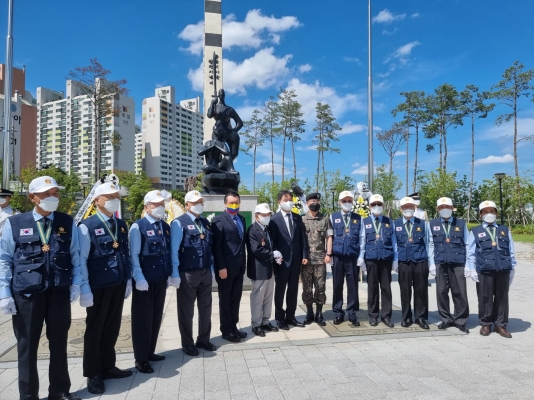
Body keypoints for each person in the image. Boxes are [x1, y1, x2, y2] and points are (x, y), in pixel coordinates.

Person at [0, 176, 81, 400]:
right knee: (27, 347)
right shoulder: (15, 223)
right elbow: (4, 258)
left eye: (55, 193)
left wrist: (76, 284)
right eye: (46, 194)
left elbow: (75, 255)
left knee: (59, 342)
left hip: (58, 291)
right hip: (27, 294)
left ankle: (60, 390)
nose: (53, 197)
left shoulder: (66, 221)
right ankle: (28, 395)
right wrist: (4, 294)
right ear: (32, 197)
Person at [78, 181, 132, 395]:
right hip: (98, 286)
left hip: (117, 282)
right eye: (109, 197)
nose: (113, 200)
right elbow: (81, 259)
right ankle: (93, 373)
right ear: (97, 201)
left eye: (116, 197)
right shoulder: (86, 226)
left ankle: (108, 366)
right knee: (95, 329)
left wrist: (127, 279)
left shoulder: (120, 224)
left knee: (112, 326)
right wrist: (84, 288)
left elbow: (123, 253)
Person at [129, 190, 180, 374]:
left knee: (156, 317)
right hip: (145, 281)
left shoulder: (164, 227)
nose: (161, 207)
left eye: (162, 204)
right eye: (156, 204)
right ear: (147, 207)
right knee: (142, 320)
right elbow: (133, 254)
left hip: (160, 278)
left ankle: (150, 351)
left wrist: (169, 273)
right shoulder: (138, 226)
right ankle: (140, 358)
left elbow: (166, 252)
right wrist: (138, 276)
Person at [171, 190, 216, 356]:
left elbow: (209, 248)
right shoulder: (178, 223)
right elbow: (174, 250)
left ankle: (203, 339)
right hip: (188, 272)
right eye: (195, 202)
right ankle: (187, 343)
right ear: (187, 205)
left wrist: (211, 269)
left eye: (201, 202)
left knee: (206, 308)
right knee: (186, 310)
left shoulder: (204, 222)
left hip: (205, 271)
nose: (199, 205)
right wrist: (174, 273)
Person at [467, 200, 517, 338]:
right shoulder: (476, 231)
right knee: (485, 297)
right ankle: (486, 323)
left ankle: (500, 325)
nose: (489, 213)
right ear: (481, 214)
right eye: (486, 211)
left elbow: (511, 249)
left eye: (492, 211)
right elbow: (470, 251)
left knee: (502, 297)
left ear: (496, 213)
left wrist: (512, 268)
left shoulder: (504, 229)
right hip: (484, 269)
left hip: (503, 268)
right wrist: (471, 269)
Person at [428, 197, 470, 333]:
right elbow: (430, 244)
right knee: (441, 291)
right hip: (440, 262)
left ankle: (460, 320)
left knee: (459, 292)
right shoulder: (432, 224)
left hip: (458, 262)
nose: (444, 209)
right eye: (441, 207)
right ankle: (446, 319)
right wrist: (432, 263)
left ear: (452, 208)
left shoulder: (461, 223)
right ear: (438, 209)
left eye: (447, 206)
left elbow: (468, 244)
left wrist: (469, 265)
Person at [269, 189, 309, 330]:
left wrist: (304, 255)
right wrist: (275, 255)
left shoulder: (297, 218)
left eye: (290, 199)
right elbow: (272, 241)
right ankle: (280, 318)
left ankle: (290, 317)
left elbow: (302, 239)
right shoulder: (273, 220)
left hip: (296, 260)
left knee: (293, 290)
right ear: (279, 202)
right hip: (281, 262)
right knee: (280, 290)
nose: (289, 202)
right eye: (285, 200)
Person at [212, 190, 247, 343]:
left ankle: (234, 327)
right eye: (231, 202)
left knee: (236, 299)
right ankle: (226, 330)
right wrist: (221, 267)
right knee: (225, 300)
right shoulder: (219, 220)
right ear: (225, 203)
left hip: (239, 266)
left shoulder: (241, 219)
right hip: (225, 268)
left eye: (237, 202)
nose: (234, 205)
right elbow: (217, 247)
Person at [357, 194, 396, 328]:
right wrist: (361, 257)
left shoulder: (390, 221)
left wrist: (395, 259)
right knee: (372, 288)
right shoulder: (365, 221)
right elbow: (362, 240)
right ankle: (373, 315)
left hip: (386, 258)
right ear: (369, 206)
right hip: (371, 258)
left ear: (383, 206)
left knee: (386, 288)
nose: (377, 207)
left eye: (379, 204)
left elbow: (394, 241)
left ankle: (386, 316)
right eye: (374, 204)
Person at [394, 197, 431, 329]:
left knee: (421, 290)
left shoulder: (422, 223)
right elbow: (394, 244)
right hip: (404, 261)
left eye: (410, 207)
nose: (408, 209)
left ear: (414, 208)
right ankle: (406, 317)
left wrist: (429, 261)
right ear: (400, 209)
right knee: (405, 290)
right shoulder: (396, 224)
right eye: (405, 207)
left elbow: (428, 243)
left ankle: (420, 317)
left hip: (420, 260)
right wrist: (395, 261)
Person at [246, 203, 280, 337]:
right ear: (257, 216)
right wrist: (273, 255)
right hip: (259, 270)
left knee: (267, 297)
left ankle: (265, 321)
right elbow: (256, 250)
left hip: (269, 269)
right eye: (264, 215)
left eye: (268, 215)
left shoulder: (267, 229)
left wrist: (276, 256)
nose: (267, 217)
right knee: (257, 298)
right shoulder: (252, 230)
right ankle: (256, 324)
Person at [330, 190, 363, 326]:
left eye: (349, 201)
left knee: (353, 286)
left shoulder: (358, 218)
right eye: (344, 201)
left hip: (352, 257)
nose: (347, 203)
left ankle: (352, 313)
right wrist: (330, 255)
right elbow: (330, 237)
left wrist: (361, 256)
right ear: (339, 202)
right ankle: (338, 313)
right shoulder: (333, 217)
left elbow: (362, 238)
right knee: (337, 285)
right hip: (337, 257)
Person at [301, 192, 332, 326]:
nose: (315, 203)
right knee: (307, 288)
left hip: (320, 260)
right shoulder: (301, 220)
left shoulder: (325, 220)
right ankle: (309, 312)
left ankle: (319, 313)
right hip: (306, 261)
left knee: (320, 287)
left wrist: (329, 254)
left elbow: (329, 237)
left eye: (317, 202)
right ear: (307, 203)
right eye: (313, 201)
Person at [409, 192, 431, 287]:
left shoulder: (423, 212)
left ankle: (425, 279)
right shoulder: (408, 211)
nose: (417, 201)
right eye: (415, 199)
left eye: (418, 199)